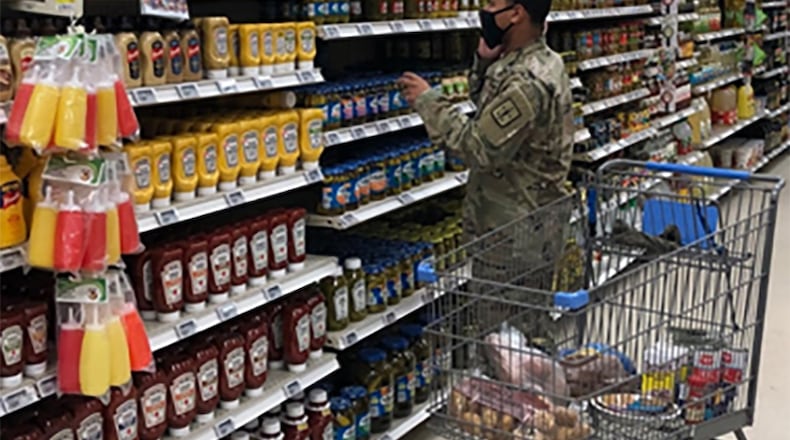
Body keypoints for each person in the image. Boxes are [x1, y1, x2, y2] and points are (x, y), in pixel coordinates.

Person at [398, 0, 578, 342]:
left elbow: (477, 146)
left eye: (493, 3)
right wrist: (483, 60)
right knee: (523, 337)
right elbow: (489, 108)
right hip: (526, 225)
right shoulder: (539, 61)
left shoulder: (526, 82)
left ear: (516, 13)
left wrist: (428, 101)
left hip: (515, 236)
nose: (485, 9)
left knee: (507, 344)